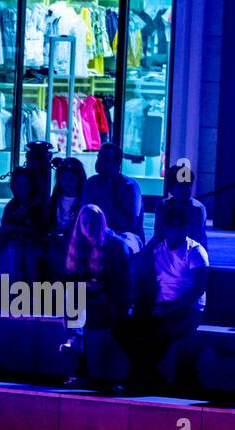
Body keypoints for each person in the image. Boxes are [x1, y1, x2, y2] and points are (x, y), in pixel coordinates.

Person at [127, 202, 209, 388]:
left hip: (188, 309)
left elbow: (198, 290)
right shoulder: (158, 248)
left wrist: (169, 308)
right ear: (165, 228)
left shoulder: (195, 251)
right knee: (123, 329)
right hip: (161, 306)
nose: (175, 231)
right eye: (171, 227)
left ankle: (143, 379)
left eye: (179, 227)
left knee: (160, 335)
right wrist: (152, 243)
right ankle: (149, 376)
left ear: (186, 228)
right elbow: (136, 268)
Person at [59, 204, 132, 389]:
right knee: (73, 298)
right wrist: (86, 285)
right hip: (87, 298)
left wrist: (100, 287)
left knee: (82, 308)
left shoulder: (115, 246)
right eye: (85, 222)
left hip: (111, 299)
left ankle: (77, 350)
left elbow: (121, 284)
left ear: (102, 223)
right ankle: (75, 345)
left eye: (93, 222)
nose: (89, 226)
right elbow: (71, 277)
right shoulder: (78, 245)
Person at [0, 166, 47, 290]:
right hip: (9, 240)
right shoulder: (12, 205)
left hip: (30, 243)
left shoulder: (37, 206)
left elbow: (39, 230)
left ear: (31, 185)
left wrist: (15, 230)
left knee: (17, 253)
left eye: (24, 184)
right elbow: (3, 227)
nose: (20, 188)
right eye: (17, 184)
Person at [82, 143, 143, 252]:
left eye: (105, 159)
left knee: (118, 248)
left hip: (125, 237)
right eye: (99, 157)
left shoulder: (129, 187)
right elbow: (83, 214)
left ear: (117, 163)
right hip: (96, 234)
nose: (99, 161)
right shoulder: (91, 183)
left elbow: (129, 225)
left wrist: (107, 192)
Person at [151, 163, 208, 250]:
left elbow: (194, 239)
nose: (186, 189)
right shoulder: (163, 206)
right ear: (170, 188)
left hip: (190, 253)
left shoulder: (196, 209)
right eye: (181, 186)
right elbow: (158, 235)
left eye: (188, 185)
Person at [46, 156, 87, 242]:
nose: (66, 182)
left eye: (71, 178)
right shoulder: (56, 198)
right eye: (63, 178)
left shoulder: (84, 199)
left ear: (79, 178)